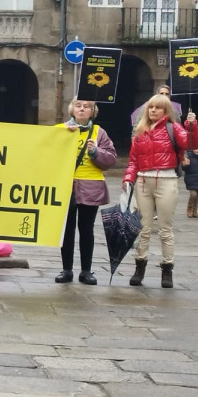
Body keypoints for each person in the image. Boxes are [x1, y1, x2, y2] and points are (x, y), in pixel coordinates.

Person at [122, 94, 198, 289]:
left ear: (166, 111)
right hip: (143, 180)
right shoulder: (140, 131)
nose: (153, 111)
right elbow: (133, 159)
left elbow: (192, 144)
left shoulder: (174, 128)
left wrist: (193, 125)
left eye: (158, 107)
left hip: (166, 179)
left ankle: (167, 269)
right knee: (143, 228)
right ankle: (139, 268)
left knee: (165, 228)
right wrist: (128, 177)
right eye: (151, 107)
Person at [54, 98, 117, 285]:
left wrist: (96, 152)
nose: (82, 109)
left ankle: (86, 270)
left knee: (86, 229)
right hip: (66, 185)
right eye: (79, 106)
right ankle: (66, 269)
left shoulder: (99, 132)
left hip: (91, 186)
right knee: (67, 230)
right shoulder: (60, 130)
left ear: (93, 111)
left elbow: (111, 159)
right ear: (72, 109)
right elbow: (45, 153)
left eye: (87, 107)